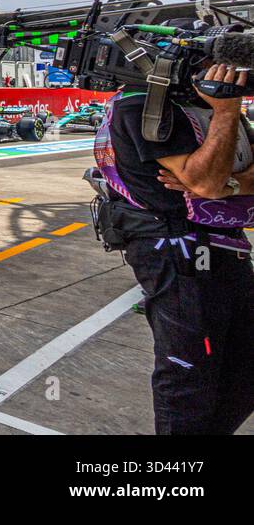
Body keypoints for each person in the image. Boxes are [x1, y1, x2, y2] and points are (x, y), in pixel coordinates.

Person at [97, 64, 254, 435]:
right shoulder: (140, 105)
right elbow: (207, 181)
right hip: (175, 250)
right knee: (188, 374)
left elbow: (214, 184)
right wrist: (226, 113)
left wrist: (226, 184)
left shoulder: (200, 105)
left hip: (225, 245)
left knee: (246, 364)